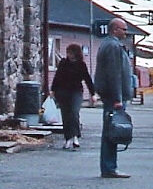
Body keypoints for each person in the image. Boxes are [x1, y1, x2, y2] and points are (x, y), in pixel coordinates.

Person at [93, 17, 134, 178]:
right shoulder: (112, 46)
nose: (126, 32)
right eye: (124, 29)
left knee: (111, 130)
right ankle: (109, 167)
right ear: (115, 29)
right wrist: (117, 98)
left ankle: (109, 166)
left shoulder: (109, 44)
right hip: (113, 97)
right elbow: (114, 74)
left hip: (111, 95)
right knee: (113, 131)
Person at [50, 43, 95, 150]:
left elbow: (87, 79)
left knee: (74, 113)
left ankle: (75, 137)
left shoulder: (81, 65)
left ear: (76, 53)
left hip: (76, 91)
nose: (69, 55)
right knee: (65, 116)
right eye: (68, 52)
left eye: (71, 52)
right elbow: (57, 77)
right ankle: (68, 139)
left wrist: (92, 93)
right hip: (62, 91)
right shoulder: (63, 63)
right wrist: (53, 90)